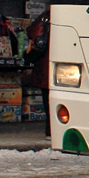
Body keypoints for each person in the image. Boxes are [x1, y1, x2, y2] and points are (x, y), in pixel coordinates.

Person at [25, 9, 51, 137]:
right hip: (65, 69)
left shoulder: (46, 17)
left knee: (47, 100)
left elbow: (31, 31)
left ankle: (50, 130)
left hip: (44, 65)